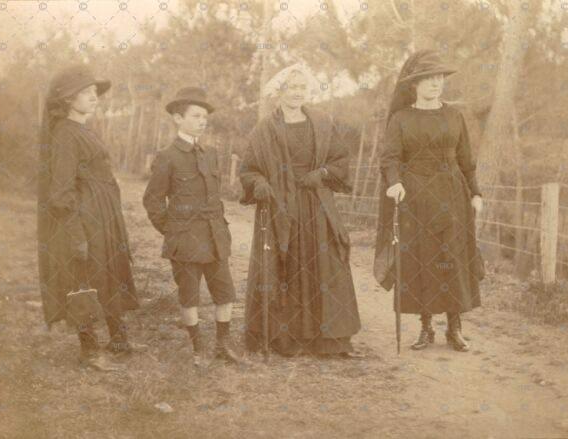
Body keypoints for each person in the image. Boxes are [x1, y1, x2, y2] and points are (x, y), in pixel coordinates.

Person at [239, 66, 362, 357]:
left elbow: (340, 160)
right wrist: (258, 184)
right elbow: (248, 169)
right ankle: (286, 339)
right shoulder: (265, 129)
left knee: (326, 265)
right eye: (290, 87)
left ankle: (330, 340)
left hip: (316, 206)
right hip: (280, 207)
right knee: (285, 266)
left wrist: (320, 173)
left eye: (300, 87)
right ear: (279, 92)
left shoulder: (320, 122)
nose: (296, 92)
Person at [374, 50, 485, 352]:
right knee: (423, 260)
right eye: (429, 79)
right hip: (417, 198)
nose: (436, 84)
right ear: (415, 85)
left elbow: (466, 160)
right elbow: (390, 158)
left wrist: (475, 192)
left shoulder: (454, 115)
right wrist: (395, 182)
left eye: (440, 79)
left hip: (453, 196)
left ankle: (454, 327)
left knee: (452, 260)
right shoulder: (401, 119)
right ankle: (426, 328)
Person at [37, 64, 139, 369]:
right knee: (83, 279)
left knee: (108, 273)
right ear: (68, 99)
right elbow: (60, 193)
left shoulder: (81, 129)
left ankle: (120, 341)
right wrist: (76, 232)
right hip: (84, 219)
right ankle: (90, 350)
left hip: (101, 215)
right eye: (86, 93)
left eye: (95, 92)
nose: (94, 97)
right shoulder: (66, 135)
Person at [142, 87, 241, 366]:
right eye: (196, 115)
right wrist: (173, 231)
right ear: (177, 118)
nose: (202, 121)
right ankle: (198, 349)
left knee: (225, 292)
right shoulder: (168, 156)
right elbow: (152, 200)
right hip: (185, 241)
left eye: (205, 116)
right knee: (190, 296)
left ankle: (223, 345)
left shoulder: (210, 154)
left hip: (214, 236)